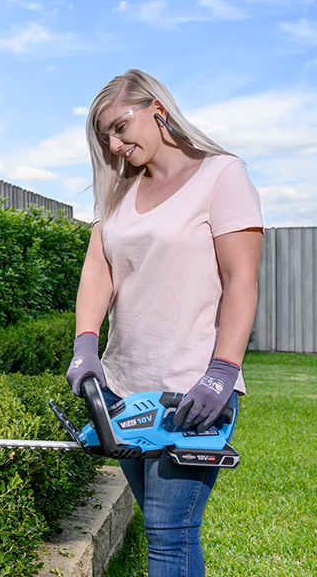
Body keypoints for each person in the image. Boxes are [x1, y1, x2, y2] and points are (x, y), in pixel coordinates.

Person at [66, 69, 263, 577]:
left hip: (193, 389)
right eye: (105, 138)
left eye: (119, 127)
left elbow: (241, 279)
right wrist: (86, 347)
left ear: (156, 108)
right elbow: (98, 269)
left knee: (168, 534)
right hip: (126, 388)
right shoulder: (119, 193)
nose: (114, 145)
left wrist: (221, 372)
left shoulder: (223, 175)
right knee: (169, 535)